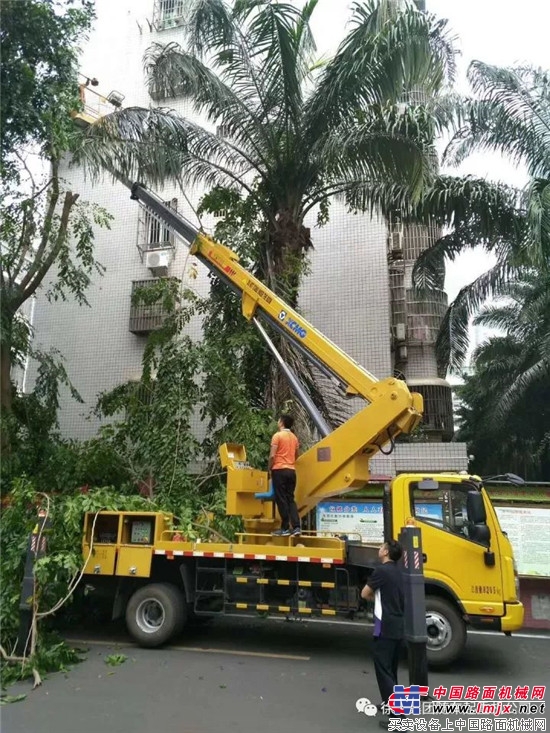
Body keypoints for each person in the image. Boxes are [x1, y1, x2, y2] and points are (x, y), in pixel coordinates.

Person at [361, 540, 404, 725]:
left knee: (383, 670)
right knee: (392, 670)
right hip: (398, 623)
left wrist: (375, 599)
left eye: (381, 547)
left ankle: (397, 719)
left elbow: (364, 593)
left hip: (384, 625)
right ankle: (391, 704)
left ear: (386, 552)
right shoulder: (399, 571)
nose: (379, 549)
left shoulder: (381, 571)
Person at [269, 414, 300, 537]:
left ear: (281, 422)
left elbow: (272, 455)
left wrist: (270, 467)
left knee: (281, 499)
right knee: (290, 498)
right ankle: (297, 527)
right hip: (291, 471)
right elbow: (297, 454)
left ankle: (285, 528)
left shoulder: (277, 436)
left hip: (279, 470)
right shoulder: (294, 438)